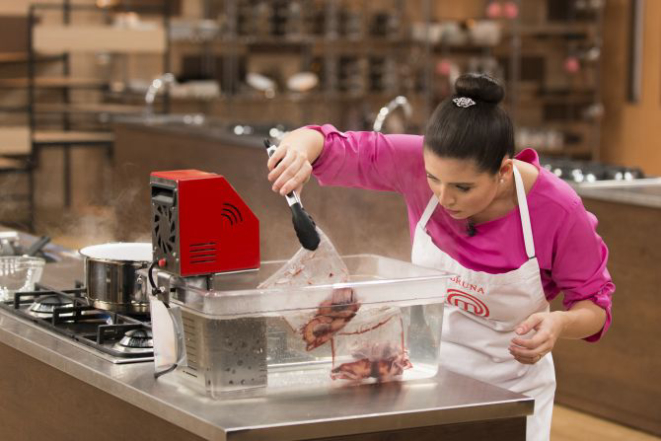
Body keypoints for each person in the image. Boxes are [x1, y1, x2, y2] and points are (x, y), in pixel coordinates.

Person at [265, 73, 614, 441]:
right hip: (428, 381)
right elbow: (325, 142)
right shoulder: (417, 161)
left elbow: (595, 305)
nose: (445, 198)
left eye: (463, 187)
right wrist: (297, 152)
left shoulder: (557, 209)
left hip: (513, 394)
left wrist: (558, 325)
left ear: (504, 171)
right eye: (433, 179)